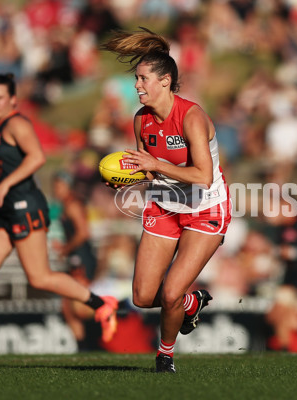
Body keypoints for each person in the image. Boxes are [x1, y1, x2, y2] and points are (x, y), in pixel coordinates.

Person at [0, 74, 118, 360]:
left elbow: (37, 158)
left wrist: (4, 185)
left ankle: (101, 303)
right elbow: (3, 170)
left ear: (12, 100)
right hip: (4, 210)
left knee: (40, 277)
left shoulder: (17, 124)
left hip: (25, 205)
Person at [101, 28, 231, 373]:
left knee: (170, 292)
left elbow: (202, 175)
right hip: (163, 206)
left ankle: (165, 357)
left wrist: (155, 165)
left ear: (165, 81)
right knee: (143, 298)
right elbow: (148, 171)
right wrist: (125, 179)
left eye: (143, 79)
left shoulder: (191, 117)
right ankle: (191, 303)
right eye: (136, 79)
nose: (137, 85)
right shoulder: (141, 120)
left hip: (205, 207)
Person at [51, 170, 104, 347]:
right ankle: (82, 344)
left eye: (59, 185)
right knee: (67, 305)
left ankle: (95, 339)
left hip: (82, 259)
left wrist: (66, 249)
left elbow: (83, 233)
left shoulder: (73, 204)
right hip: (76, 257)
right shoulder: (67, 204)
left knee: (79, 304)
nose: (56, 189)